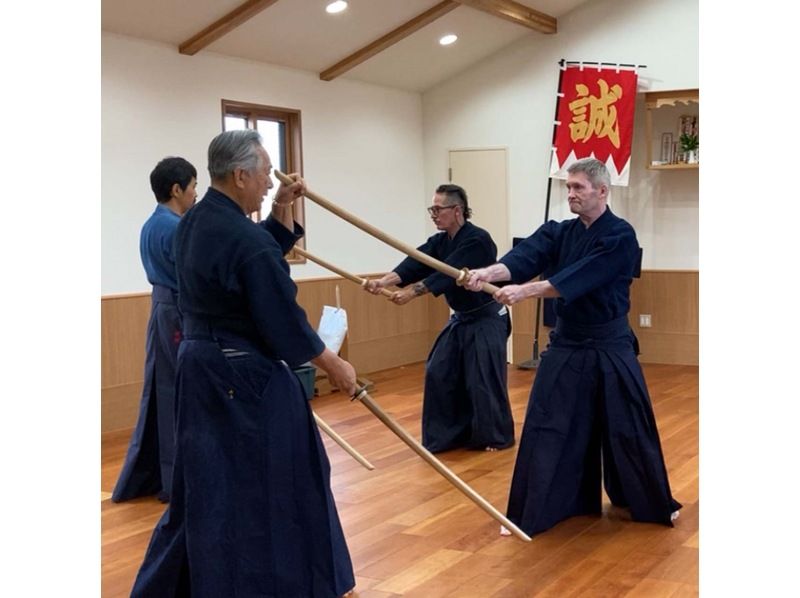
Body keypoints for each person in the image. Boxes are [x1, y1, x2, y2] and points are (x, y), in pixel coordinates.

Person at [130, 130, 357, 597]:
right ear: (239, 175)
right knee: (275, 475)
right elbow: (278, 312)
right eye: (263, 176)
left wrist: (281, 210)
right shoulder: (236, 235)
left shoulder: (194, 220)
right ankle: (272, 581)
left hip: (202, 366)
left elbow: (246, 255)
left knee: (210, 483)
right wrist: (331, 362)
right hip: (240, 375)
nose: (267, 184)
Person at [465, 157, 681, 537]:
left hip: (609, 344)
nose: (571, 194)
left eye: (578, 187)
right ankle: (545, 506)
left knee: (627, 426)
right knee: (548, 422)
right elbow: (525, 256)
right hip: (568, 341)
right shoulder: (560, 232)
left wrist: (527, 290)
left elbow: (579, 277)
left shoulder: (620, 236)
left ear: (602, 191)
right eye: (568, 187)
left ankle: (645, 499)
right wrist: (489, 273)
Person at [365, 184, 514, 454]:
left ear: (457, 211)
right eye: (431, 209)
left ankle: (494, 436)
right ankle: (449, 437)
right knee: (439, 370)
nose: (433, 214)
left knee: (482, 379)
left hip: (486, 319)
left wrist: (412, 293)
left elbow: (451, 272)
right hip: (461, 319)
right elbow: (416, 262)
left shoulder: (478, 240)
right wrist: (383, 281)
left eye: (438, 209)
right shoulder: (440, 241)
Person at [112, 157, 198, 503]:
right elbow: (192, 276)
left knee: (164, 390)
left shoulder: (150, 225)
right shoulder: (175, 228)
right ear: (176, 189)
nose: (195, 194)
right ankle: (181, 480)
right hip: (177, 311)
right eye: (193, 187)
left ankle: (167, 477)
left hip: (160, 310)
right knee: (184, 392)